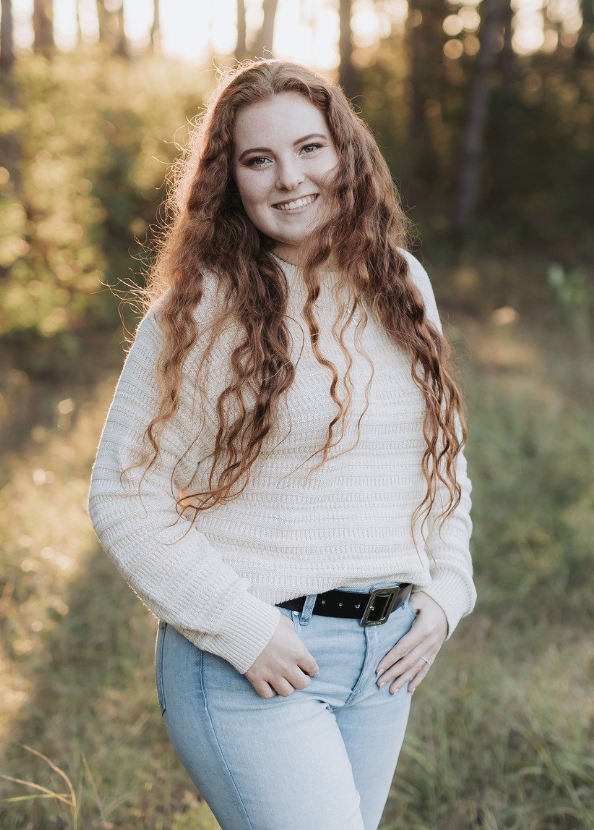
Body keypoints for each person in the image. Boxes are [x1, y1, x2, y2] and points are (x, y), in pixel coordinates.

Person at [88, 59, 476, 830]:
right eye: (257, 160)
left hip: (385, 664)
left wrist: (447, 592)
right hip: (252, 663)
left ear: (347, 156)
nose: (289, 178)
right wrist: (243, 627)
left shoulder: (402, 283)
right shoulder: (196, 315)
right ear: (228, 180)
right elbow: (124, 496)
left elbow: (442, 461)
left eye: (310, 149)